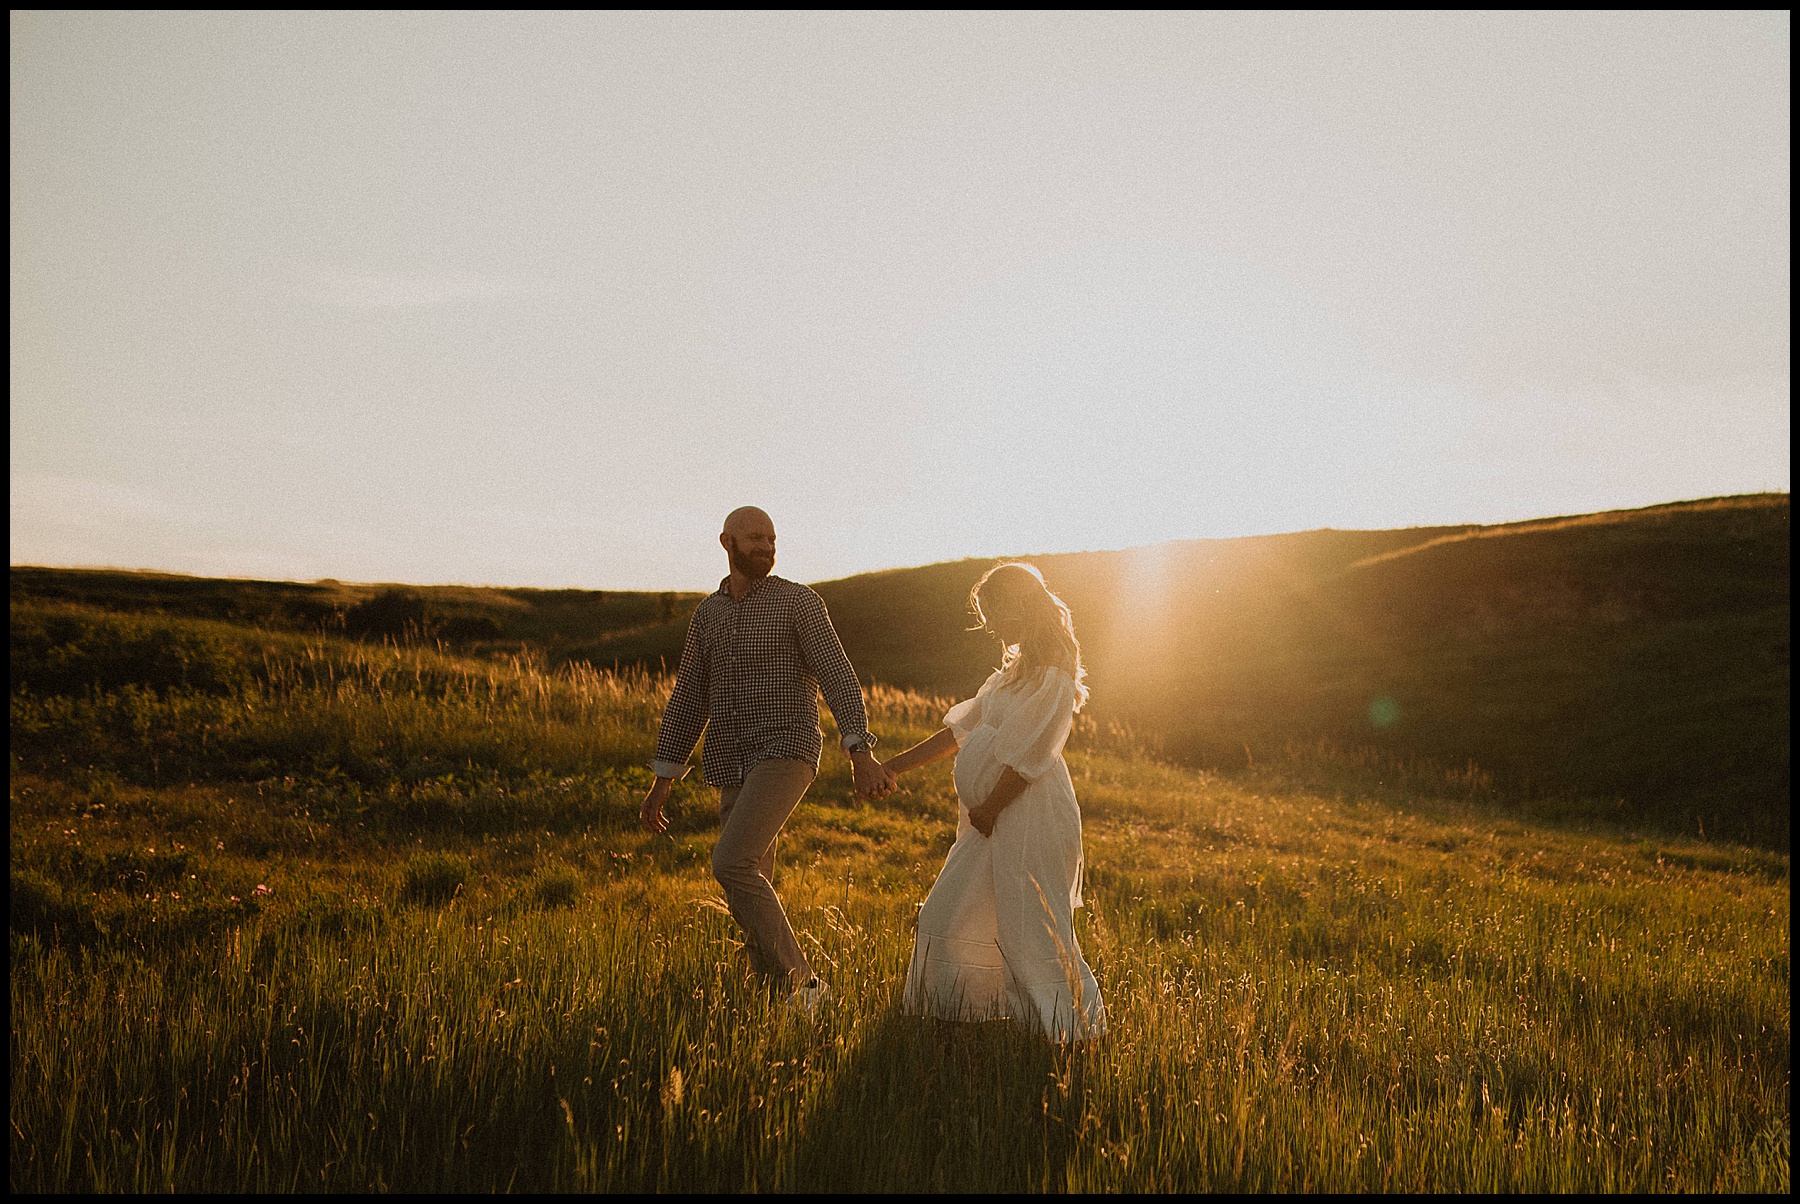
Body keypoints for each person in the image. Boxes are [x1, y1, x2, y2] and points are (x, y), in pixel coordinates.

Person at [640, 506, 895, 1014]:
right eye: (755, 538)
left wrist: (860, 751)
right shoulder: (707, 616)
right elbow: (690, 698)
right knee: (752, 880)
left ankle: (807, 989)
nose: (767, 546)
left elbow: (838, 675)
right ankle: (772, 1000)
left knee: (730, 862)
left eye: (772, 538)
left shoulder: (798, 602)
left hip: (786, 749)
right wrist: (662, 781)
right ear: (727, 542)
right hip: (731, 759)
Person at [881, 562, 1106, 1043]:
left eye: (994, 616)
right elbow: (957, 733)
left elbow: (1032, 754)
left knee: (1031, 923)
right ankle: (957, 1011)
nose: (991, 629)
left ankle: (1069, 1032)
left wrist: (990, 807)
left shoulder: (1053, 674)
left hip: (1027, 811)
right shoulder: (1010, 674)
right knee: (948, 911)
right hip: (990, 816)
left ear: (1017, 607)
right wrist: (894, 766)